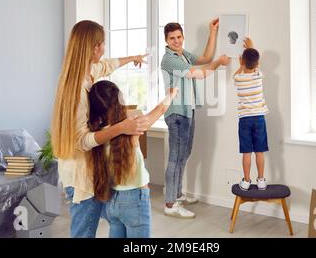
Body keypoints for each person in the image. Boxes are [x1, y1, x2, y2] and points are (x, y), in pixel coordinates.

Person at [51, 20, 150, 238]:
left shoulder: (89, 71)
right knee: (84, 233)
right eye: (102, 44)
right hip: (80, 177)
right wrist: (120, 127)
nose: (104, 49)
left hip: (87, 171)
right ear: (94, 47)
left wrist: (133, 58)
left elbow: (108, 64)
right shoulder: (76, 88)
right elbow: (81, 140)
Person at [88, 81, 178, 238]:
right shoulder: (134, 127)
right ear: (119, 101)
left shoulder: (97, 134)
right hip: (134, 200)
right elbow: (161, 108)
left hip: (110, 200)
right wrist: (172, 94)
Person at [161, 19, 231, 219]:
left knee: (184, 154)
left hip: (188, 110)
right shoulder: (169, 59)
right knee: (175, 157)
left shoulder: (183, 55)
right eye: (172, 38)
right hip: (176, 112)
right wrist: (218, 63)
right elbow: (200, 74)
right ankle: (170, 203)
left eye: (179, 37)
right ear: (166, 40)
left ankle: (178, 194)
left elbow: (206, 57)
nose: (176, 41)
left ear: (183, 37)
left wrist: (212, 31)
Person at [233, 37, 269, 191]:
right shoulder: (258, 76)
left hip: (245, 120)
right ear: (258, 64)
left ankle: (246, 181)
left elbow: (239, 71)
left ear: (241, 61)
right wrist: (252, 47)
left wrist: (241, 62)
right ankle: (261, 180)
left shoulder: (238, 78)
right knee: (259, 151)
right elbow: (254, 64)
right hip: (259, 118)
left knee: (247, 152)